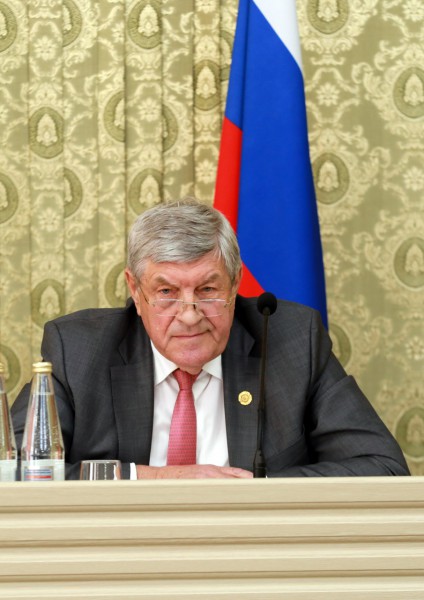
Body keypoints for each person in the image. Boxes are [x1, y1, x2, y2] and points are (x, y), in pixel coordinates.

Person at [12, 199, 410, 479]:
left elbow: (382, 466)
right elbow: (17, 470)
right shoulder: (78, 350)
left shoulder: (291, 341)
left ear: (235, 284)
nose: (189, 315)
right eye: (166, 292)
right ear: (135, 290)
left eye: (207, 290)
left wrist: (248, 492)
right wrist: (157, 478)